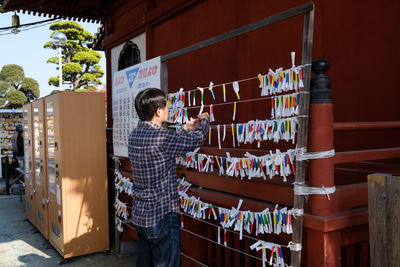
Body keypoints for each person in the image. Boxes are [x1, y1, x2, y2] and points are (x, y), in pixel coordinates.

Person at [128, 88, 210, 267]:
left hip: (141, 215)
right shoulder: (162, 137)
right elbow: (196, 140)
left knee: (145, 262)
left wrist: (185, 128)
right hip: (161, 215)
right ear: (158, 111)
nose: (168, 109)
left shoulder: (134, 134)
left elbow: (165, 144)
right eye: (166, 106)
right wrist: (204, 121)